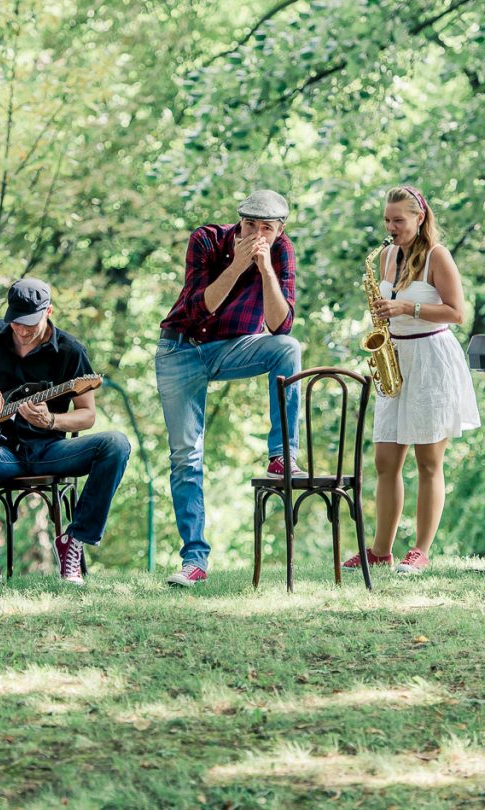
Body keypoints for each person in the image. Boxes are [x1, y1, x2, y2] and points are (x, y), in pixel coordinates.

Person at [157, 189, 303, 588]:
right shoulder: (206, 239)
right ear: (239, 222)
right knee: (187, 456)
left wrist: (267, 270)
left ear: (280, 229)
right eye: (250, 225)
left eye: (267, 228)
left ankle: (282, 455)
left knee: (288, 349)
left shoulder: (281, 250)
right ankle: (195, 560)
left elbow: (280, 325)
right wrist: (239, 265)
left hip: (233, 349)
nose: (257, 234)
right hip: (180, 350)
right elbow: (201, 307)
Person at [0, 279, 130, 587]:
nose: (21, 330)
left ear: (48, 311)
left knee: (116, 444)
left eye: (30, 323)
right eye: (16, 322)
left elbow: (87, 415)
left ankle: (74, 541)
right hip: (2, 449)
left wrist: (51, 421)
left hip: (51, 452)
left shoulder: (70, 351)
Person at [342, 185, 479, 576]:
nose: (391, 226)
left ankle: (420, 550)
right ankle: (380, 549)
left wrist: (408, 306)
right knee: (385, 460)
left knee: (428, 461)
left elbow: (457, 314)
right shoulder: (385, 256)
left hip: (432, 359)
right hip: (396, 357)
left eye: (398, 220)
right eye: (387, 220)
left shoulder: (438, 256)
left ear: (420, 218)